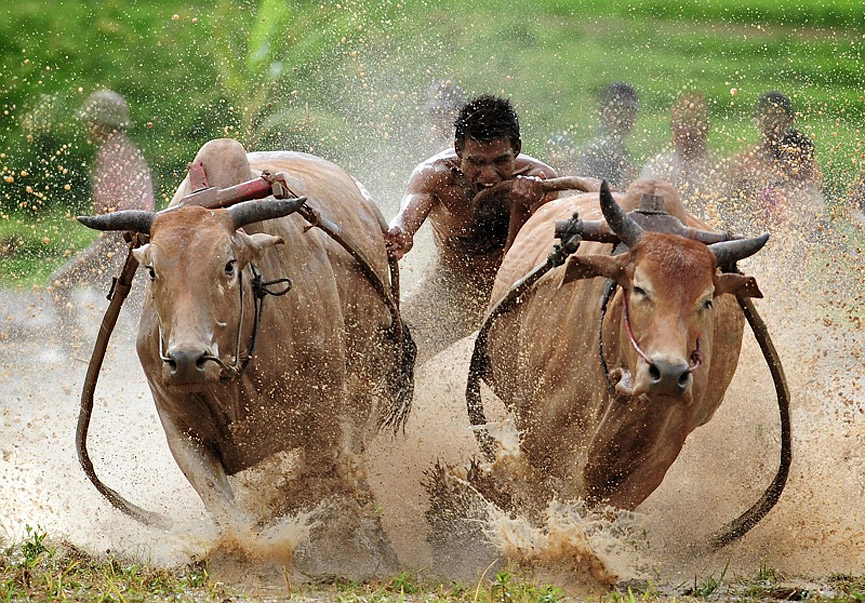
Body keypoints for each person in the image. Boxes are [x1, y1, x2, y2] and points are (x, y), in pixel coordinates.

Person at [386, 94, 556, 362]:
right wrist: (399, 234)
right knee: (392, 352)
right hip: (450, 286)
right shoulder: (436, 175)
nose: (488, 174)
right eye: (477, 162)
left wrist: (524, 205)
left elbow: (529, 257)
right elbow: (405, 218)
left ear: (516, 149)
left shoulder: (541, 182)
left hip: (517, 293)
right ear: (458, 150)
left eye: (500, 161)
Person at [49, 89, 154, 344]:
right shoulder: (121, 150)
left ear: (101, 123)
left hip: (122, 240)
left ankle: (76, 347)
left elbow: (127, 207)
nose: (88, 126)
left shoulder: (114, 153)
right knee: (132, 300)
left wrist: (113, 245)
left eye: (91, 121)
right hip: (124, 238)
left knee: (60, 282)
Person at [722, 91, 822, 231]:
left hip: (796, 226)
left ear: (789, 119)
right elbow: (727, 203)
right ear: (756, 119)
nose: (770, 121)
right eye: (765, 114)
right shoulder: (743, 161)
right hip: (754, 226)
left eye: (776, 114)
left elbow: (816, 203)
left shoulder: (803, 162)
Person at [640, 93, 721, 221]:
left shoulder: (717, 168)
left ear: (706, 128)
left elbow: (724, 211)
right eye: (683, 124)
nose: (688, 130)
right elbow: (642, 205)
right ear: (673, 128)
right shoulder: (658, 165)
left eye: (694, 125)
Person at [574, 82, 638, 189]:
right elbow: (595, 193)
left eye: (630, 111)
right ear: (603, 113)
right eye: (618, 110)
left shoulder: (619, 148)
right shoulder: (599, 149)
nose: (625, 117)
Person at [423, 78, 466, 155]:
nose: (439, 117)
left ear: (458, 113)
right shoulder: (424, 139)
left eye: (445, 112)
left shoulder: (465, 142)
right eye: (434, 112)